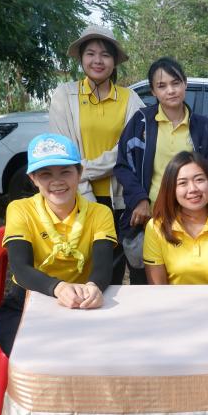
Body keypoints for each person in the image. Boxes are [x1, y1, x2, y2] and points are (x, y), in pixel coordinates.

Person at [0, 134, 116, 354]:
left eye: (65, 172)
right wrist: (59, 288)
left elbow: (103, 265)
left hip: (84, 299)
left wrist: (94, 287)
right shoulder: (20, 209)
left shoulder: (100, 213)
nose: (57, 181)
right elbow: (20, 268)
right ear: (33, 178)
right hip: (28, 298)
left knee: (101, 354)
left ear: (79, 173)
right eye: (45, 174)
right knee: (34, 355)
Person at [48, 24, 144, 284]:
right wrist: (83, 185)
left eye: (105, 54)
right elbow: (63, 151)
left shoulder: (130, 99)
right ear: (81, 58)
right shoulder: (64, 96)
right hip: (75, 197)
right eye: (90, 53)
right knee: (78, 270)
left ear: (114, 61)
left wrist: (83, 169)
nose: (97, 60)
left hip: (119, 201)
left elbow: (129, 150)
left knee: (112, 273)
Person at [114, 57, 208, 283]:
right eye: (162, 86)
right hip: (151, 217)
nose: (170, 90)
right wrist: (139, 199)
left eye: (176, 83)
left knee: (186, 279)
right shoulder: (141, 122)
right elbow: (122, 165)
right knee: (148, 285)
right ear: (153, 91)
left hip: (190, 220)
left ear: (185, 84)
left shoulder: (202, 126)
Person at [143, 151, 208, 285]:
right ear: (171, 189)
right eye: (182, 183)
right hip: (173, 299)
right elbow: (158, 289)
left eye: (199, 180)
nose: (193, 189)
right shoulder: (156, 227)